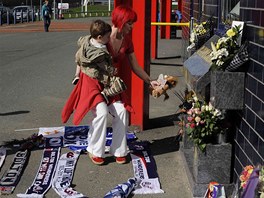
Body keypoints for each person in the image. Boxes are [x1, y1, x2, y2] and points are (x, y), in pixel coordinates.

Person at [61, 5, 157, 165]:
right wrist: (77, 75)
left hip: (110, 84)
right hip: (92, 82)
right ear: (121, 21)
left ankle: (119, 150)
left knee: (121, 112)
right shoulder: (102, 35)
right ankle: (94, 150)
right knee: (102, 113)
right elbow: (81, 55)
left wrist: (149, 80)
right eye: (130, 23)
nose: (132, 26)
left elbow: (135, 65)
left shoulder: (127, 40)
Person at [72, 20, 127, 103]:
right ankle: (106, 92)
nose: (109, 39)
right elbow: (104, 66)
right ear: (100, 37)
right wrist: (112, 70)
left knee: (79, 62)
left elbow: (80, 41)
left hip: (82, 60)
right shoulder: (98, 53)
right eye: (108, 37)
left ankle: (76, 75)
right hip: (93, 71)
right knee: (114, 82)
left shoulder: (88, 39)